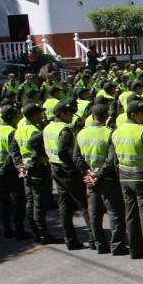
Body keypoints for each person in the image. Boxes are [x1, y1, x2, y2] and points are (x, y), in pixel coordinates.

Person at [109, 98, 143, 262]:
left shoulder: (116, 132)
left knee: (131, 215)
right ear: (133, 114)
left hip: (124, 177)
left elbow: (114, 159)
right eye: (142, 114)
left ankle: (135, 250)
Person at [75, 104, 128, 255]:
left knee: (94, 213)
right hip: (107, 179)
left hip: (90, 178)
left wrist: (88, 172)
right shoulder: (109, 133)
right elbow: (111, 159)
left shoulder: (81, 134)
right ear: (106, 117)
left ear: (92, 117)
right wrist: (99, 173)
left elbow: (76, 157)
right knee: (115, 212)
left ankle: (100, 244)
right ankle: (117, 245)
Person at [43, 99, 93, 250]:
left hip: (55, 169)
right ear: (62, 114)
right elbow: (63, 152)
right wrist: (74, 168)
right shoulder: (64, 130)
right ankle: (94, 238)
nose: (72, 116)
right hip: (67, 171)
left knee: (64, 206)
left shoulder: (48, 127)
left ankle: (70, 239)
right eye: (70, 113)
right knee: (84, 204)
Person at [11, 103, 60, 244]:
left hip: (27, 170)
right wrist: (29, 166)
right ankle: (42, 234)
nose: (42, 115)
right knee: (39, 204)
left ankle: (36, 232)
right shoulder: (34, 131)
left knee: (31, 202)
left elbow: (14, 150)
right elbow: (37, 152)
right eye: (39, 113)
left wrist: (20, 165)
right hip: (37, 169)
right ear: (33, 115)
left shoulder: (20, 129)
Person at [0, 105, 31, 240]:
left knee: (5, 202)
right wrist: (2, 171)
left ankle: (7, 230)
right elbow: (11, 155)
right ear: (12, 117)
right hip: (9, 172)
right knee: (17, 202)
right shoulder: (12, 131)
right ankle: (19, 231)